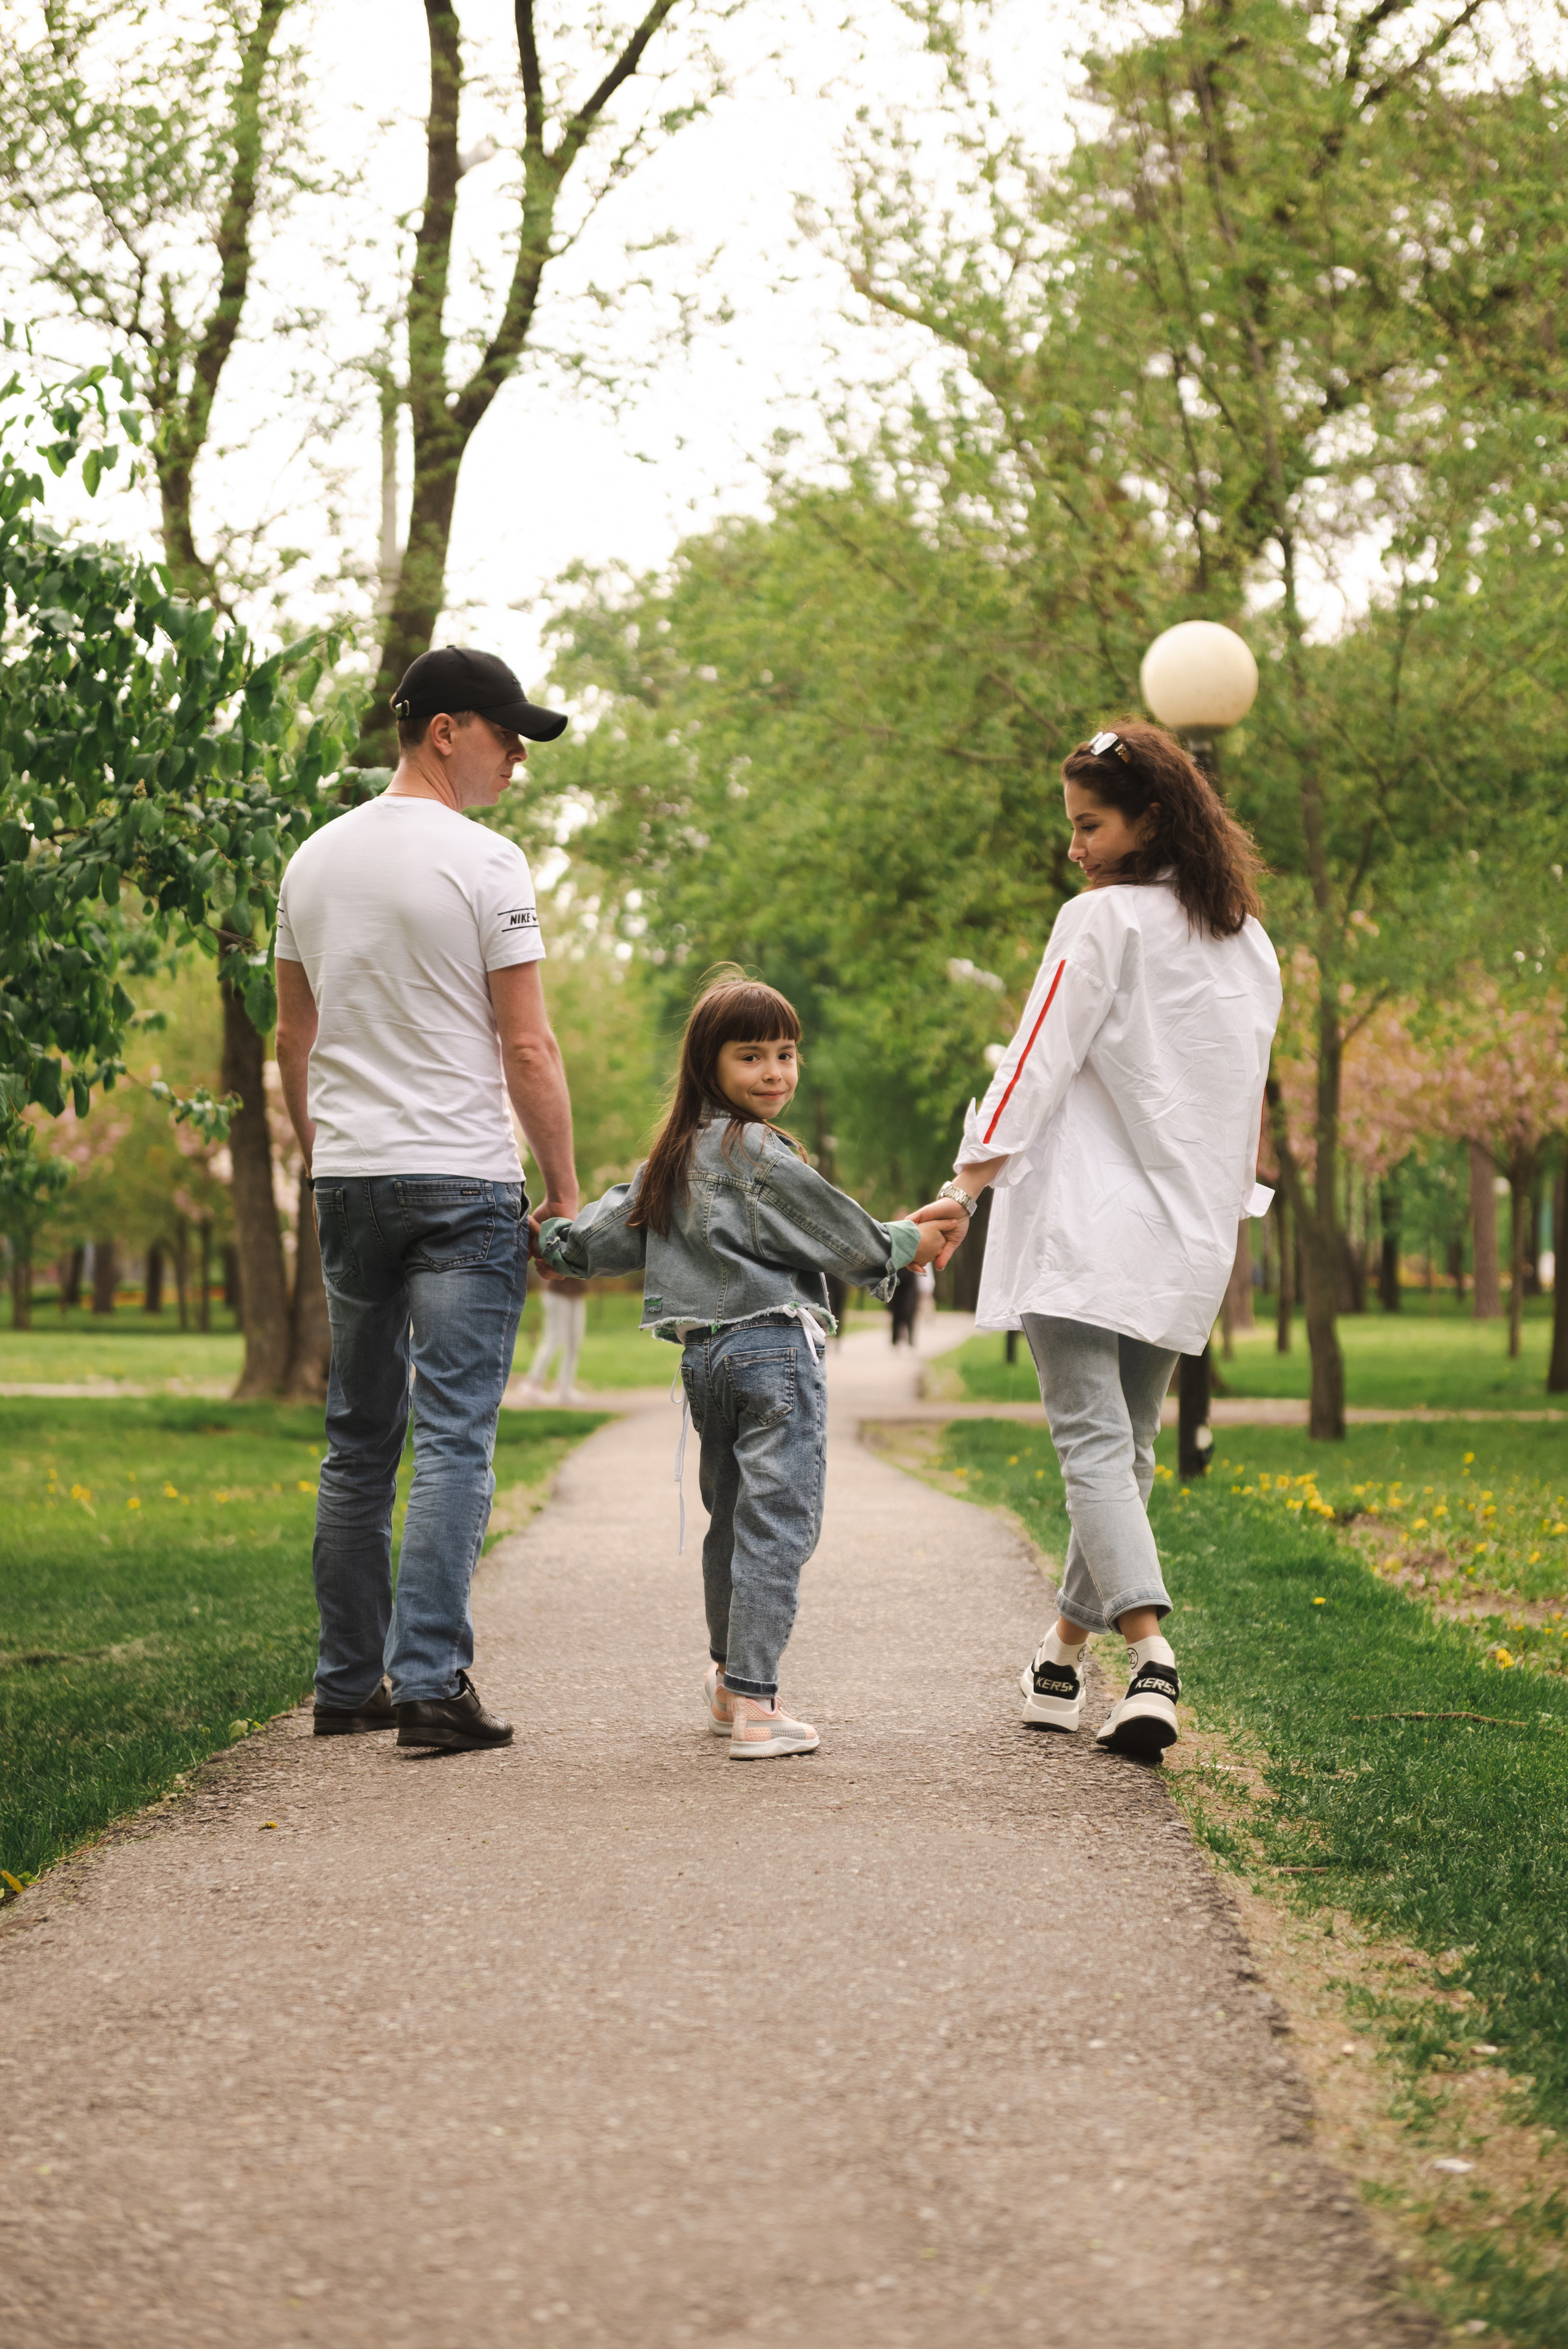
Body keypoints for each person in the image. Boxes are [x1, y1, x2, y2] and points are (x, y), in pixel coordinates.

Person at [915, 721, 1280, 1760]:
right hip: (1186, 1231)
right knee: (1128, 1450)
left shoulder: (1100, 921)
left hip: (1082, 1227)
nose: (1075, 845)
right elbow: (1237, 1098)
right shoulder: (1247, 941)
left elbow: (1031, 1059)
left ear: (1151, 818)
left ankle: (1153, 1659)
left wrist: (966, 1184)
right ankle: (1061, 1653)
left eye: (1090, 823)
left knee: (1093, 1446)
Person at [533, 974, 964, 1759]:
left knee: (730, 1521)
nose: (775, 1073)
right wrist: (906, 1243)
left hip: (705, 1363)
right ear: (709, 1065)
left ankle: (731, 1682)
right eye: (752, 1056)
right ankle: (759, 1707)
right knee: (778, 1524)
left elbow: (601, 1237)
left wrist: (553, 1240)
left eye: (787, 1054)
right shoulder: (757, 1150)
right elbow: (835, 1230)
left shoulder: (671, 1158)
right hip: (771, 1350)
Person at [274, 646, 579, 1753]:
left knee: (358, 1440)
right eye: (508, 738)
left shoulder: (310, 861)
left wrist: (329, 1157)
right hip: (459, 1178)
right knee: (453, 1434)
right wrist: (563, 1186)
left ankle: (348, 1682)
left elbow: (293, 1038)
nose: (516, 762)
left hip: (352, 1178)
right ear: (446, 730)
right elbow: (529, 1045)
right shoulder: (487, 861)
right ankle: (433, 1686)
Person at [520, 1261, 589, 1403]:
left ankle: (564, 1388)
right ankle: (532, 1383)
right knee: (554, 1339)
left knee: (574, 1341)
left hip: (577, 1291)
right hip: (556, 1291)